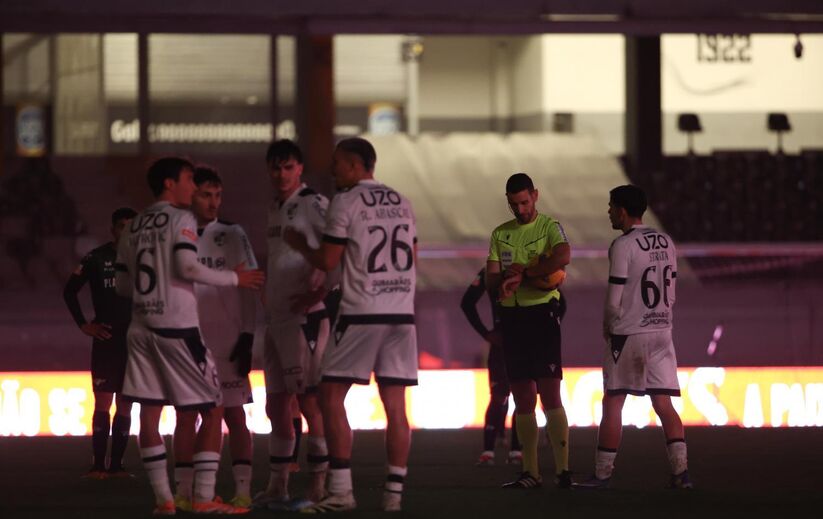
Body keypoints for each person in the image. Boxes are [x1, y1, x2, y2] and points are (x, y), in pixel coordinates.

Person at [114, 157, 264, 515]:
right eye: (188, 180)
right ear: (170, 184)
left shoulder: (133, 225)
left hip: (140, 328)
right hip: (178, 329)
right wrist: (234, 279)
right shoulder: (181, 218)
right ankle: (203, 498)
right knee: (213, 410)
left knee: (148, 415)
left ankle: (164, 499)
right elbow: (185, 266)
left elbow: (121, 285)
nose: (193, 188)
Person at [284, 137, 417, 513]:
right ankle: (393, 495)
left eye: (339, 163)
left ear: (358, 166)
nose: (333, 170)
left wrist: (298, 243)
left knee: (329, 397)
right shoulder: (402, 201)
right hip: (402, 312)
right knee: (395, 405)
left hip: (362, 311)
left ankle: (341, 491)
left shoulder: (346, 200)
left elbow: (327, 261)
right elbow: (414, 257)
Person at [575, 185, 692, 490]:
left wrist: (607, 326)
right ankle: (681, 473)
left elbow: (615, 298)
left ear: (623, 211)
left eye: (611, 206)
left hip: (629, 332)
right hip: (662, 330)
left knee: (613, 401)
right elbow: (673, 290)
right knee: (663, 403)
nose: (609, 211)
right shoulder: (666, 241)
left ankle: (602, 474)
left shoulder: (622, 245)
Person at [172, 166, 258, 510]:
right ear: (191, 195)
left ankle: (243, 491)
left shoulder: (233, 233)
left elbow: (251, 285)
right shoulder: (178, 233)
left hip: (227, 340)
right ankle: (184, 492)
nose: (213, 202)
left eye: (217, 195)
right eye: (206, 195)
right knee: (184, 416)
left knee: (234, 416)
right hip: (188, 339)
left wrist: (249, 334)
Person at [255, 139, 332, 510]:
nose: (281, 174)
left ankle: (319, 484)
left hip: (304, 318)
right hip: (276, 319)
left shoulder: (313, 203)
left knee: (310, 401)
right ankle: (278, 485)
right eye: (275, 168)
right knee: (275, 406)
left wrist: (320, 291)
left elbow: (337, 250)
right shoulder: (274, 207)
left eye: (288, 167)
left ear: (299, 168)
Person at [486, 172, 572, 489]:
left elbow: (564, 256)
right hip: (513, 318)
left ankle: (563, 471)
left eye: (524, 202)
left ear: (534, 195)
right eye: (513, 205)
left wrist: (528, 273)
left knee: (550, 394)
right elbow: (490, 279)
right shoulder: (500, 234)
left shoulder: (549, 226)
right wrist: (506, 280)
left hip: (542, 316)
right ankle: (531, 472)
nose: (520, 210)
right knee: (523, 398)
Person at [63, 207, 137, 479]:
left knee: (127, 404)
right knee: (103, 403)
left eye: (132, 227)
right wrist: (84, 325)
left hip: (135, 342)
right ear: (113, 230)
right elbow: (69, 291)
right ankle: (98, 466)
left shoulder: (147, 259)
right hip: (106, 338)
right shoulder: (96, 258)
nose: (127, 232)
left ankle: (117, 466)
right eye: (122, 226)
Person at [460, 267, 522, 466]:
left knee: (517, 397)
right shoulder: (492, 271)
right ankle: (493, 451)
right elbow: (467, 303)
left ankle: (512, 451)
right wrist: (485, 333)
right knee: (503, 396)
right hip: (511, 343)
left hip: (517, 343)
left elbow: (559, 302)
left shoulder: (533, 267)